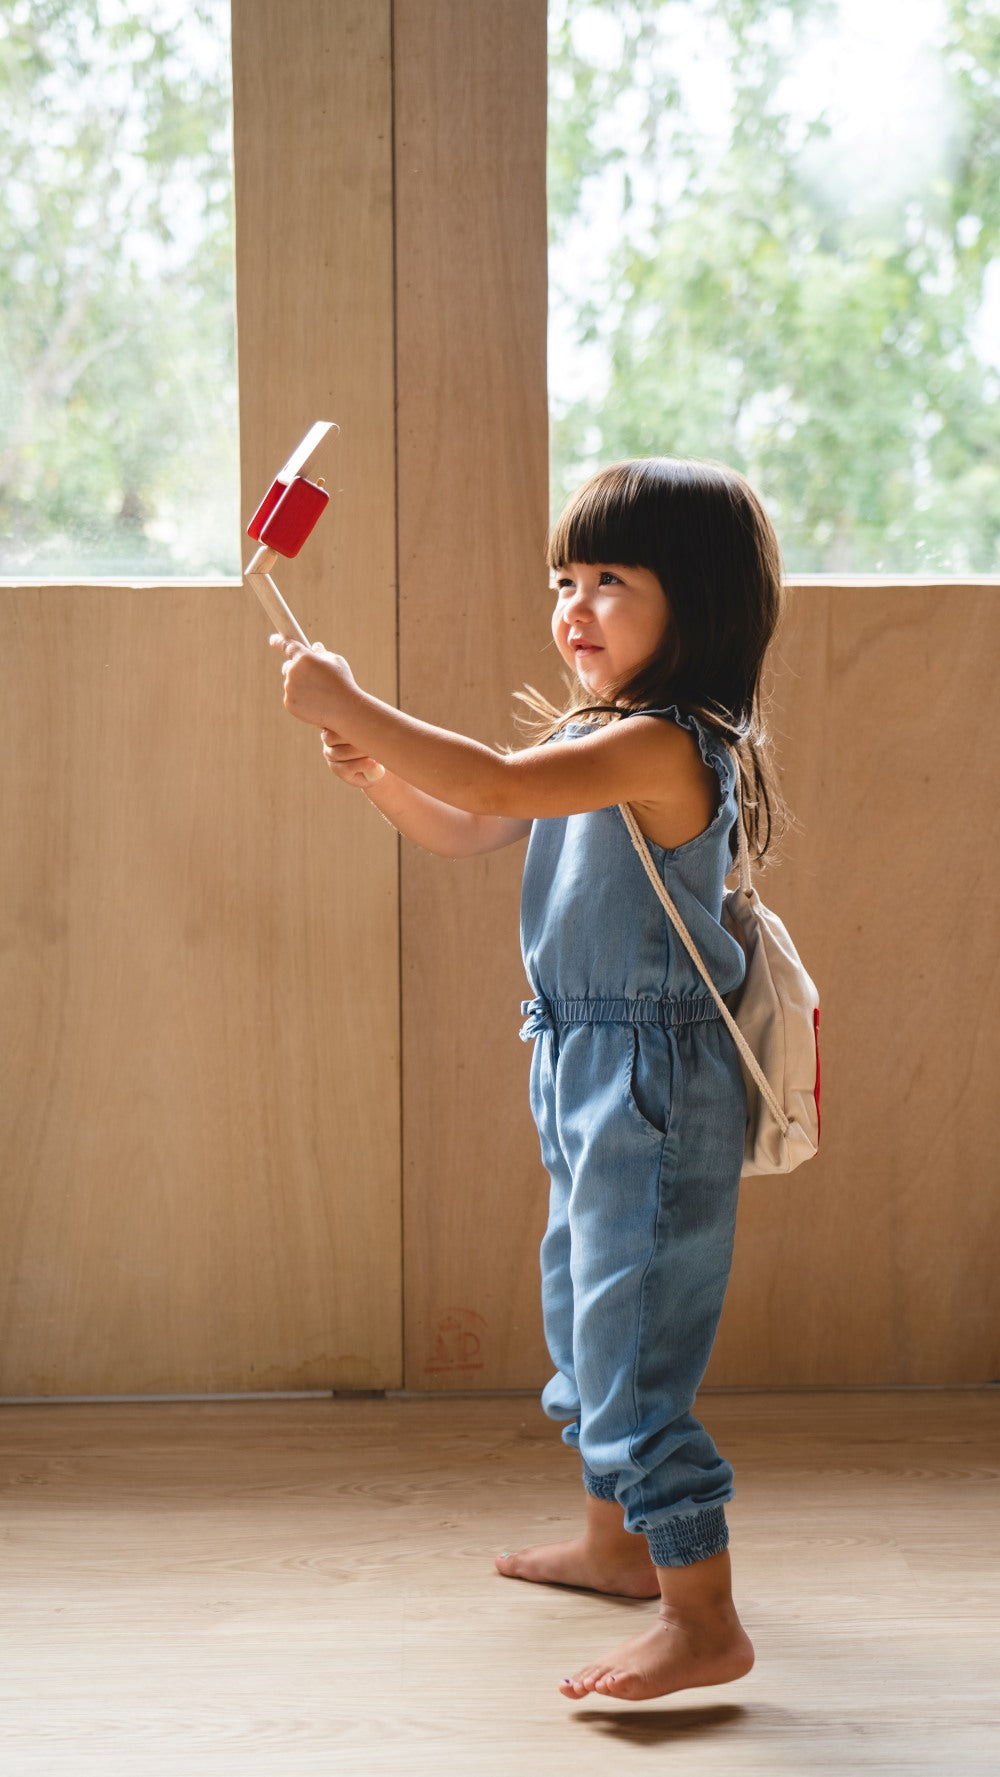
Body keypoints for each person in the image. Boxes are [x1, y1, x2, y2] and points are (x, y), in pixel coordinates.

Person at [271, 456, 785, 1703]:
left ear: (699, 600)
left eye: (612, 579)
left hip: (652, 1077)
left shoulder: (668, 744)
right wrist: (379, 770)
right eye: (565, 579)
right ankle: (619, 1550)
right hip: (581, 1059)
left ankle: (702, 1616)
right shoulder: (592, 736)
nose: (575, 605)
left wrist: (357, 699)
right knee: (583, 1309)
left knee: (633, 1341)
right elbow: (472, 821)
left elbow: (489, 785)